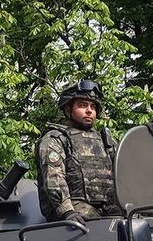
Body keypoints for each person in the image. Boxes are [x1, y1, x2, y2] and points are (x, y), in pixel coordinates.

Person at [36, 79, 124, 223]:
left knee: (133, 219)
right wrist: (67, 211)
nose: (89, 110)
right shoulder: (56, 138)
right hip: (69, 210)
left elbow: (126, 168)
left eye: (93, 106)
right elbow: (54, 178)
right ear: (68, 109)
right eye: (82, 105)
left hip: (106, 207)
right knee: (94, 221)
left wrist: (146, 137)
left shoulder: (104, 140)